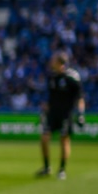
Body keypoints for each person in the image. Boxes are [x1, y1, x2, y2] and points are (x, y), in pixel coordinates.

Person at [38, 50, 83, 179]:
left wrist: (80, 114)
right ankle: (47, 167)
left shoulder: (72, 78)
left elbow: (80, 97)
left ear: (59, 63)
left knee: (64, 140)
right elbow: (50, 98)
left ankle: (62, 169)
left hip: (65, 114)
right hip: (52, 114)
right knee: (44, 138)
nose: (51, 62)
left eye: (53, 60)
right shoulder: (52, 77)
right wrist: (44, 112)